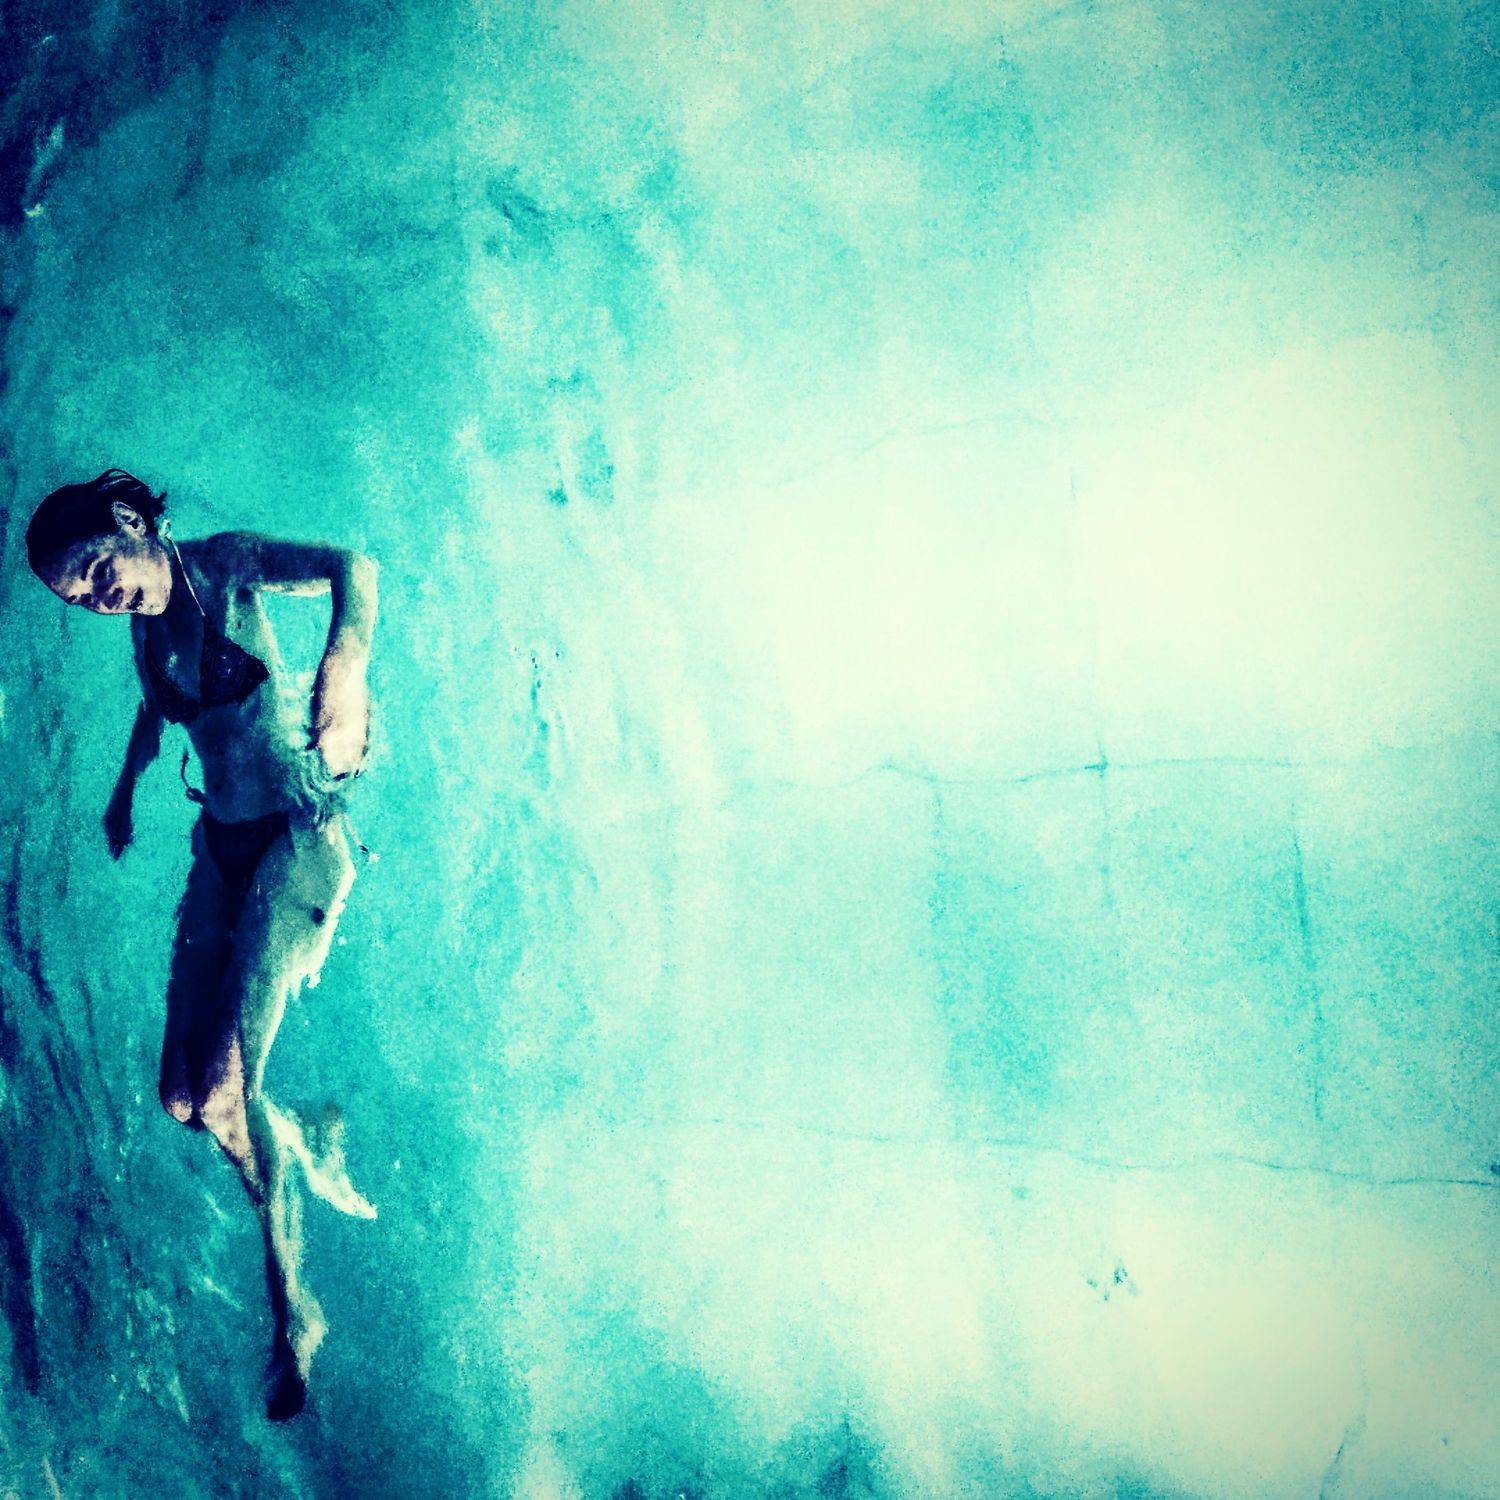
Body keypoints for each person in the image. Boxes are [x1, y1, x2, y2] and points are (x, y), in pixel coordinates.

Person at [26, 468, 380, 1421]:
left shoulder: (225, 568)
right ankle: (299, 1136)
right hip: (221, 851)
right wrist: (124, 788)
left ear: (128, 521)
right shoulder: (145, 628)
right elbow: (161, 707)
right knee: (181, 1096)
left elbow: (354, 568)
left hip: (296, 841)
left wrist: (345, 663)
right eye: (80, 597)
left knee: (224, 1093)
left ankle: (293, 1314)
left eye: (95, 570)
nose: (98, 597)